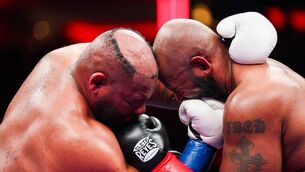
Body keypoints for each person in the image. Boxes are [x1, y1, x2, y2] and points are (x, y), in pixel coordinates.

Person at [151, 14, 305, 171]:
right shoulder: (267, 71)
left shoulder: (249, 102)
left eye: (177, 89)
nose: (178, 98)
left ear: (202, 66)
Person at [0, 28, 159, 171]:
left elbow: (145, 85)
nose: (141, 110)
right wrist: (163, 162)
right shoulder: (89, 145)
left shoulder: (62, 57)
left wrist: (183, 95)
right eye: (133, 101)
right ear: (96, 83)